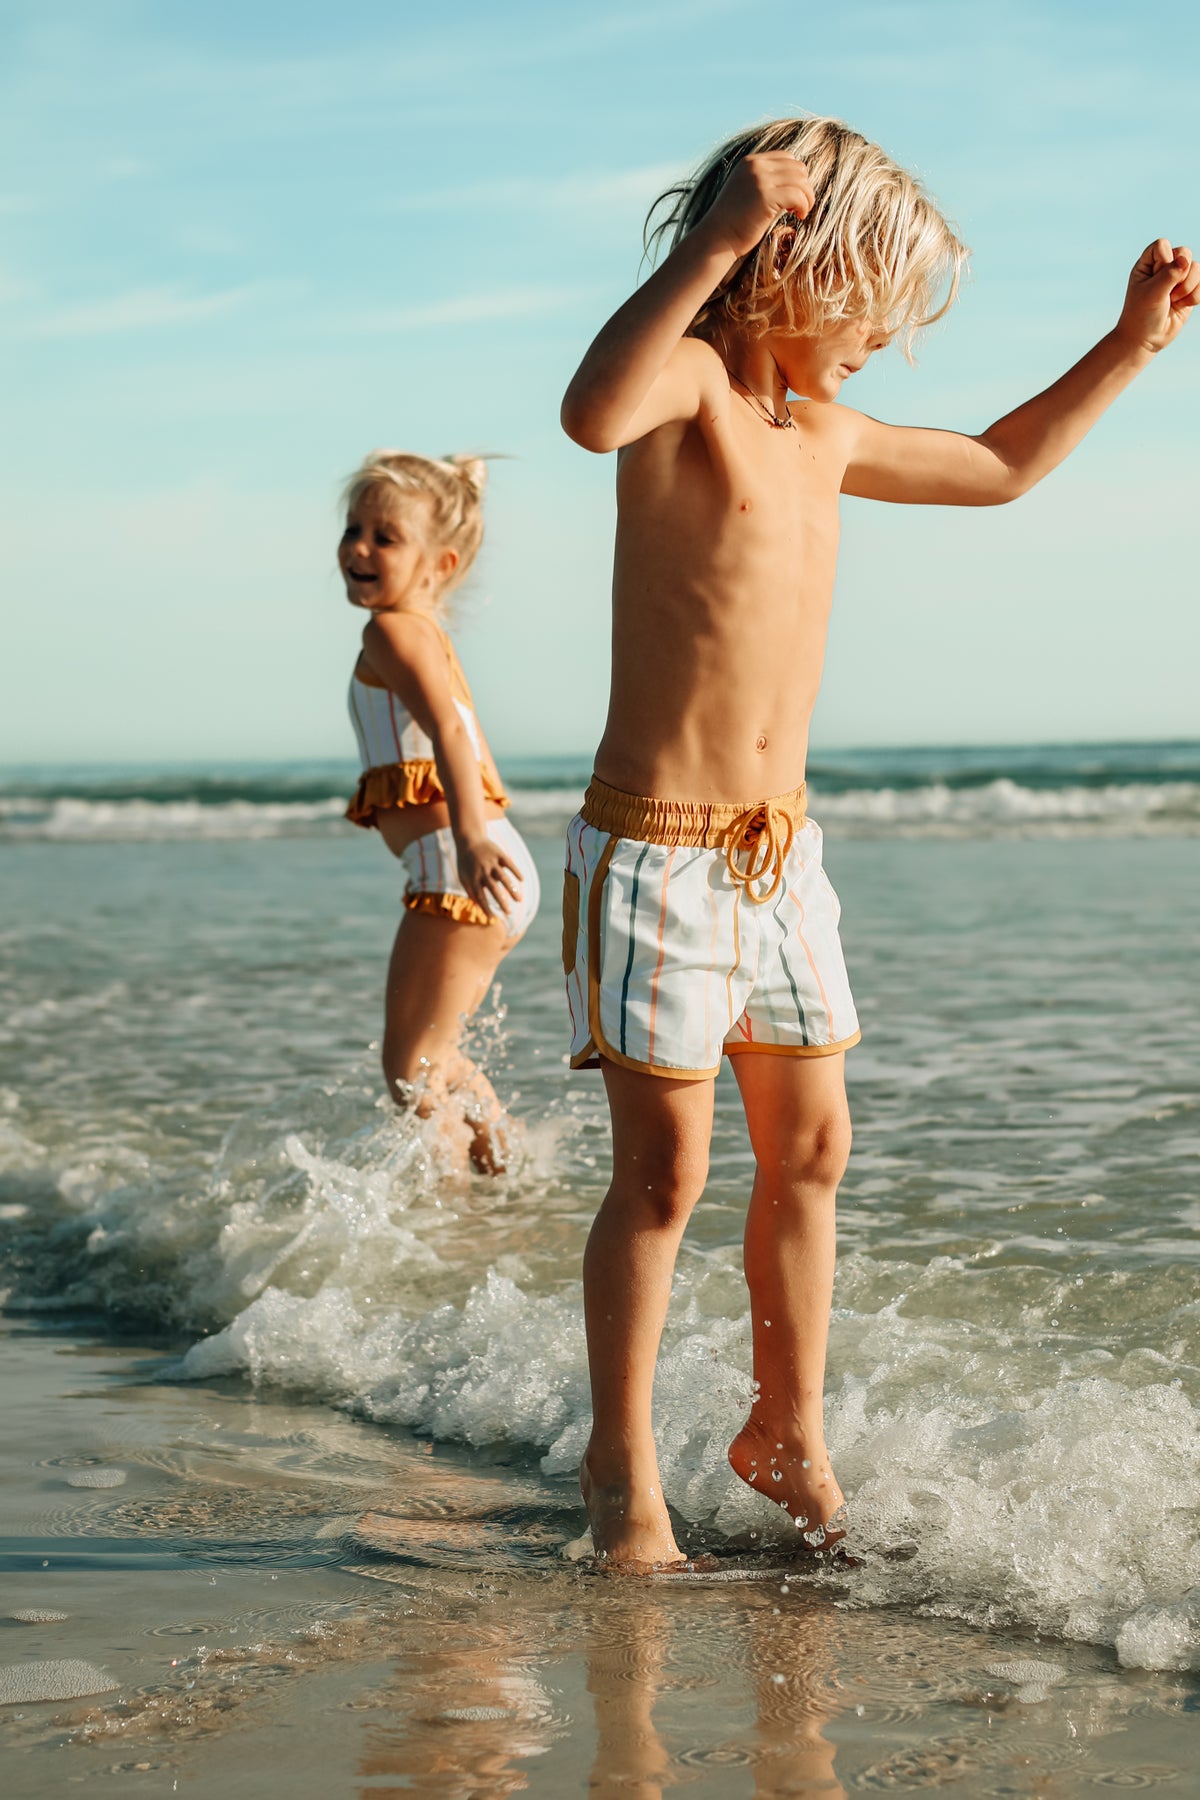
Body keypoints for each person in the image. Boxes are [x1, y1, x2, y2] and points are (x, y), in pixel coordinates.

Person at [559, 114, 1197, 1571]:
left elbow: (998, 465)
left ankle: (787, 1433)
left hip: (784, 861)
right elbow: (589, 413)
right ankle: (623, 1473)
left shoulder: (825, 434)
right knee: (664, 1174)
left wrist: (1129, 348)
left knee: (818, 1151)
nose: (886, 345)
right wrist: (715, 237)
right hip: (654, 855)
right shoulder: (691, 396)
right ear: (787, 259)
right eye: (872, 306)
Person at [341, 450, 540, 1172]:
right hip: (482, 860)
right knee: (436, 1058)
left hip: (464, 865)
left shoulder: (390, 632)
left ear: (439, 562)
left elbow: (452, 734)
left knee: (410, 1070)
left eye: (385, 537)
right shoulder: (422, 632)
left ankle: (459, 1213)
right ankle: (505, 1170)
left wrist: (468, 838)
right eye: (353, 529)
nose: (359, 548)